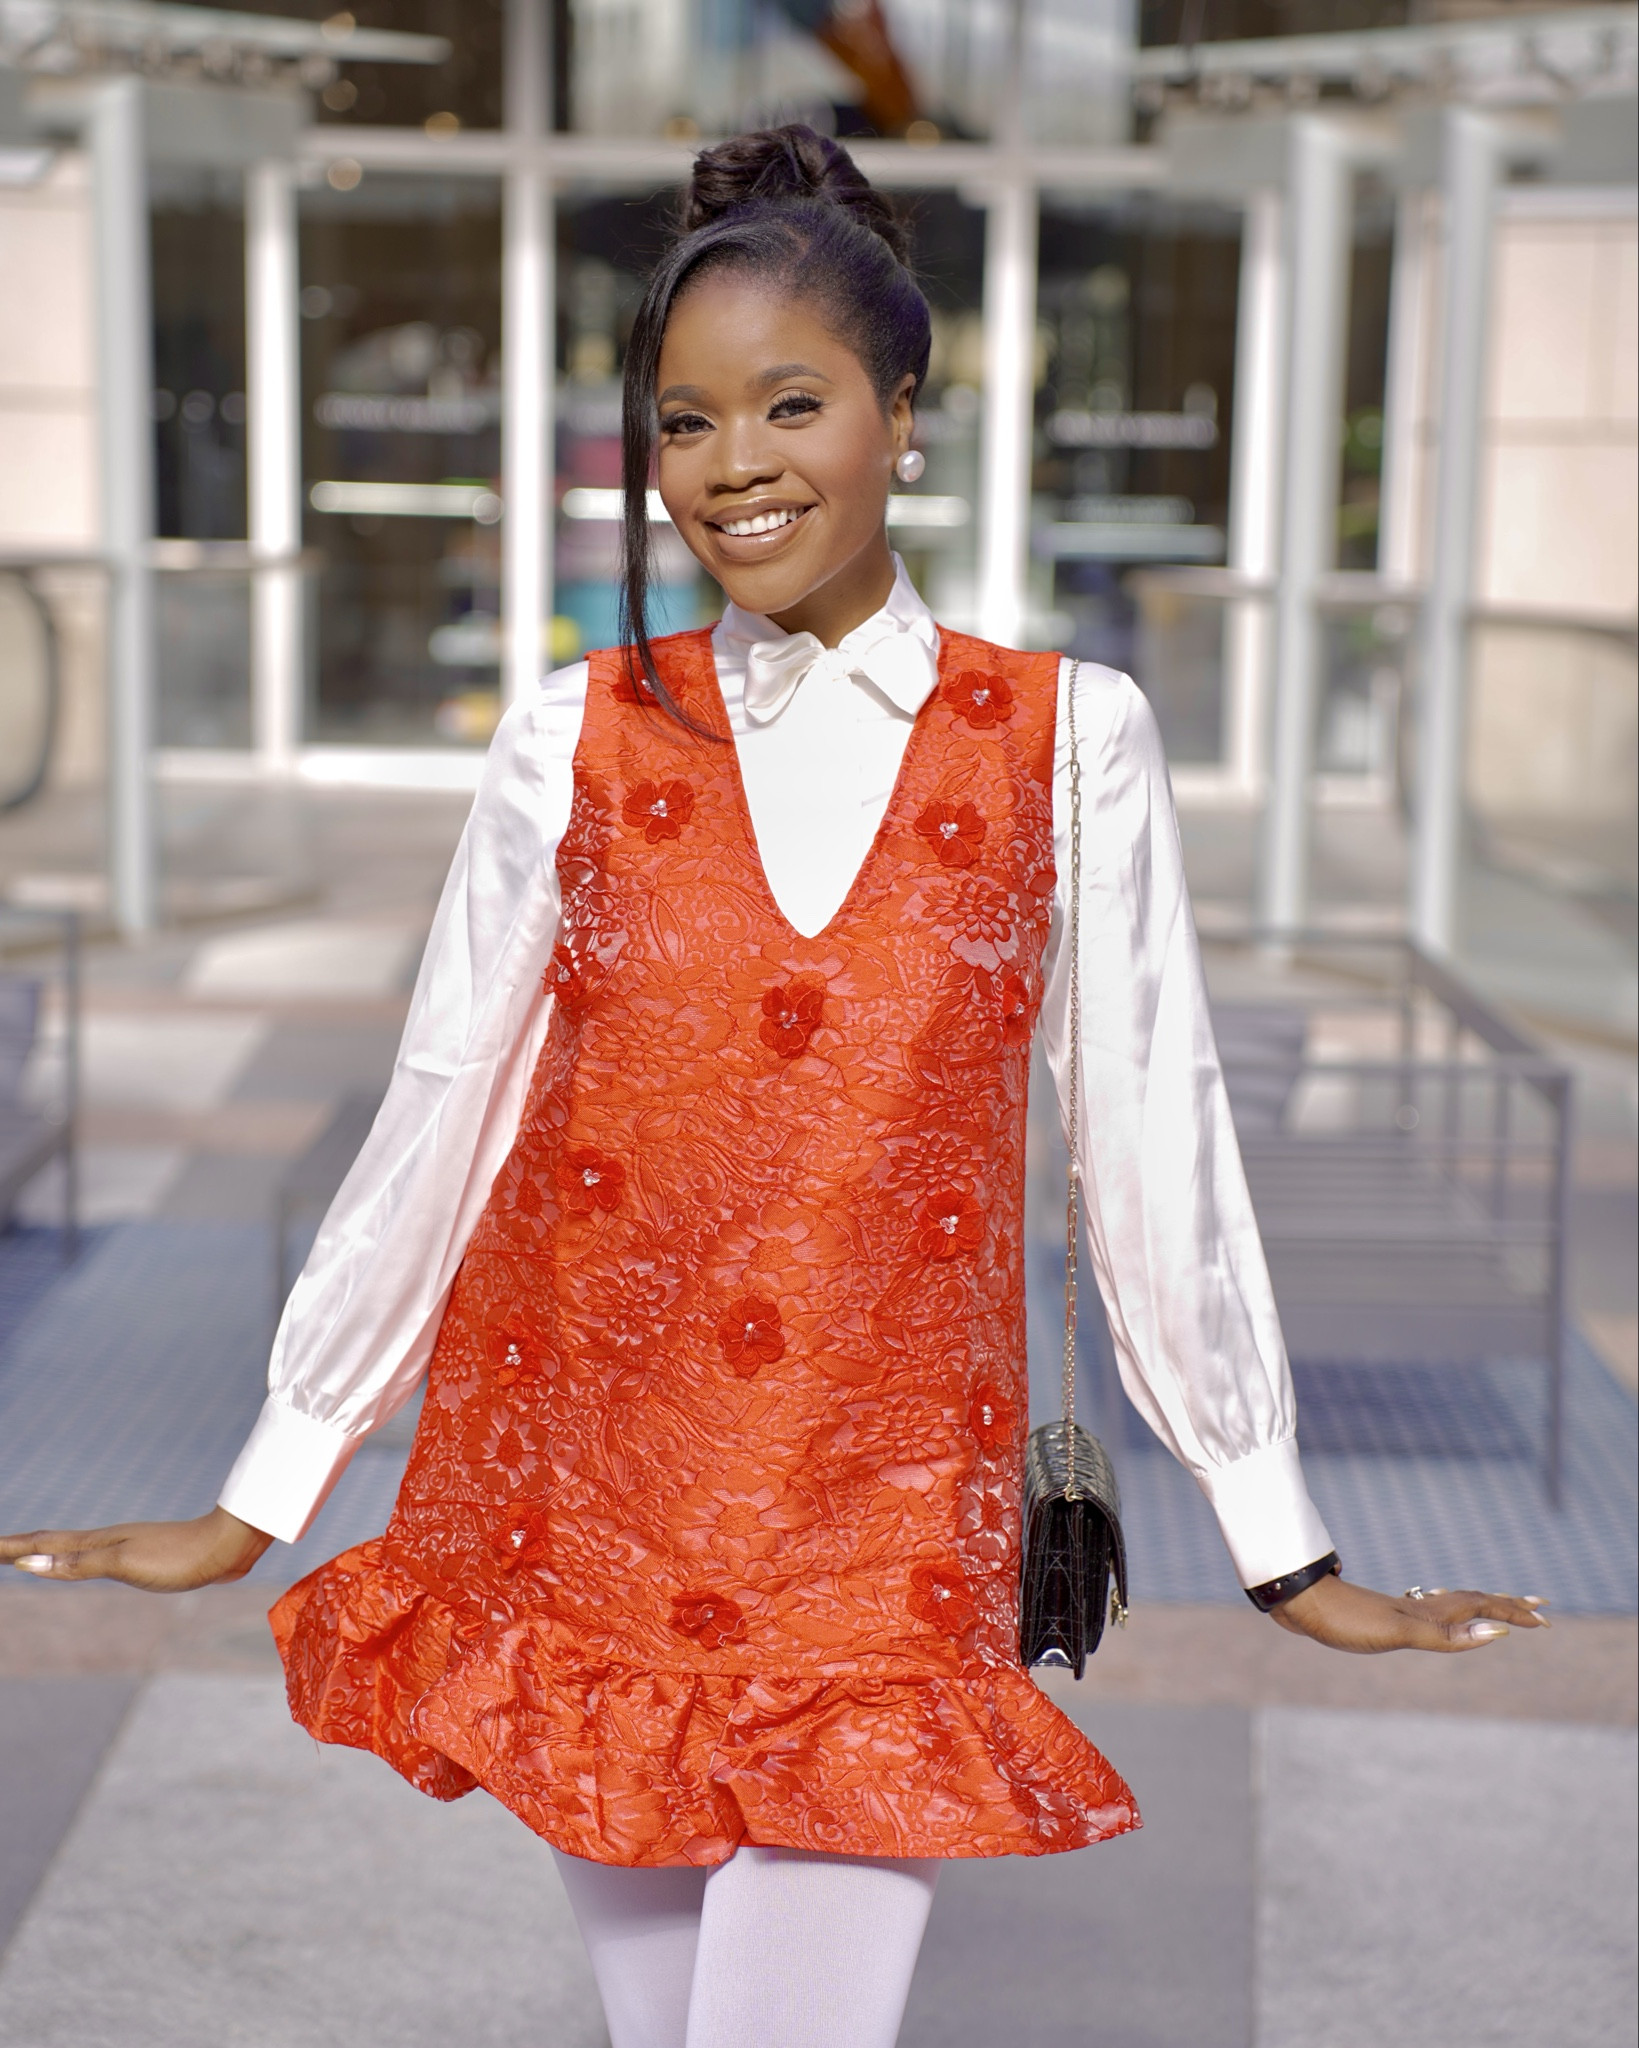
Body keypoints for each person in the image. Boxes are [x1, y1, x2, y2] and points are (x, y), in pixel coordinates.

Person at [3, 126, 1546, 2048]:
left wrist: (1278, 1534)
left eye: (791, 403)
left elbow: (1156, 1139)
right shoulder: (572, 732)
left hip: (884, 1515)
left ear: (907, 414)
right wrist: (264, 1487)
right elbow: (444, 1114)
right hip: (590, 1494)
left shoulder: (1071, 744)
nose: (733, 465)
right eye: (682, 420)